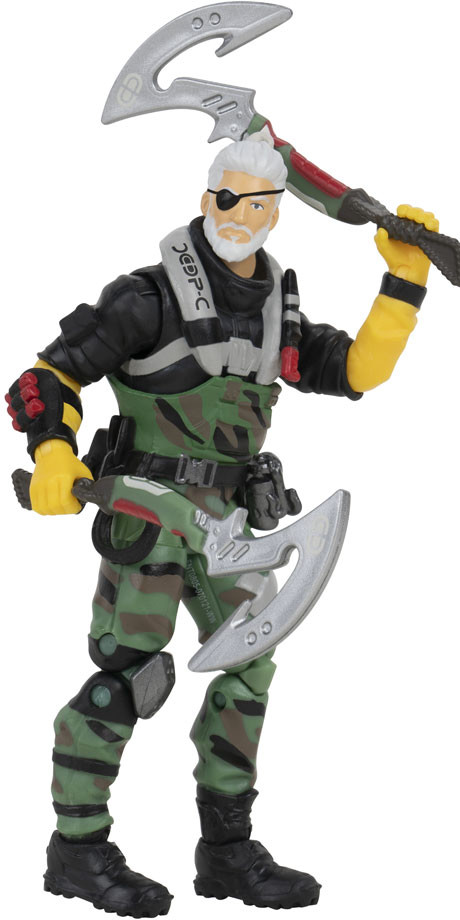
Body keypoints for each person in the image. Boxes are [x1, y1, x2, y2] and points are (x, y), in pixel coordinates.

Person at [6, 133, 437, 917]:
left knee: (250, 663)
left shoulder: (276, 312)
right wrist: (55, 453)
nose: (239, 215)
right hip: (150, 513)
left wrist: (402, 285)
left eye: (258, 203)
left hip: (232, 525)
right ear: (208, 198)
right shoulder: (145, 298)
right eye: (227, 197)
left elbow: (357, 371)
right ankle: (78, 848)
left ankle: (227, 851)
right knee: (128, 674)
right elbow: (46, 376)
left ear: (278, 211)